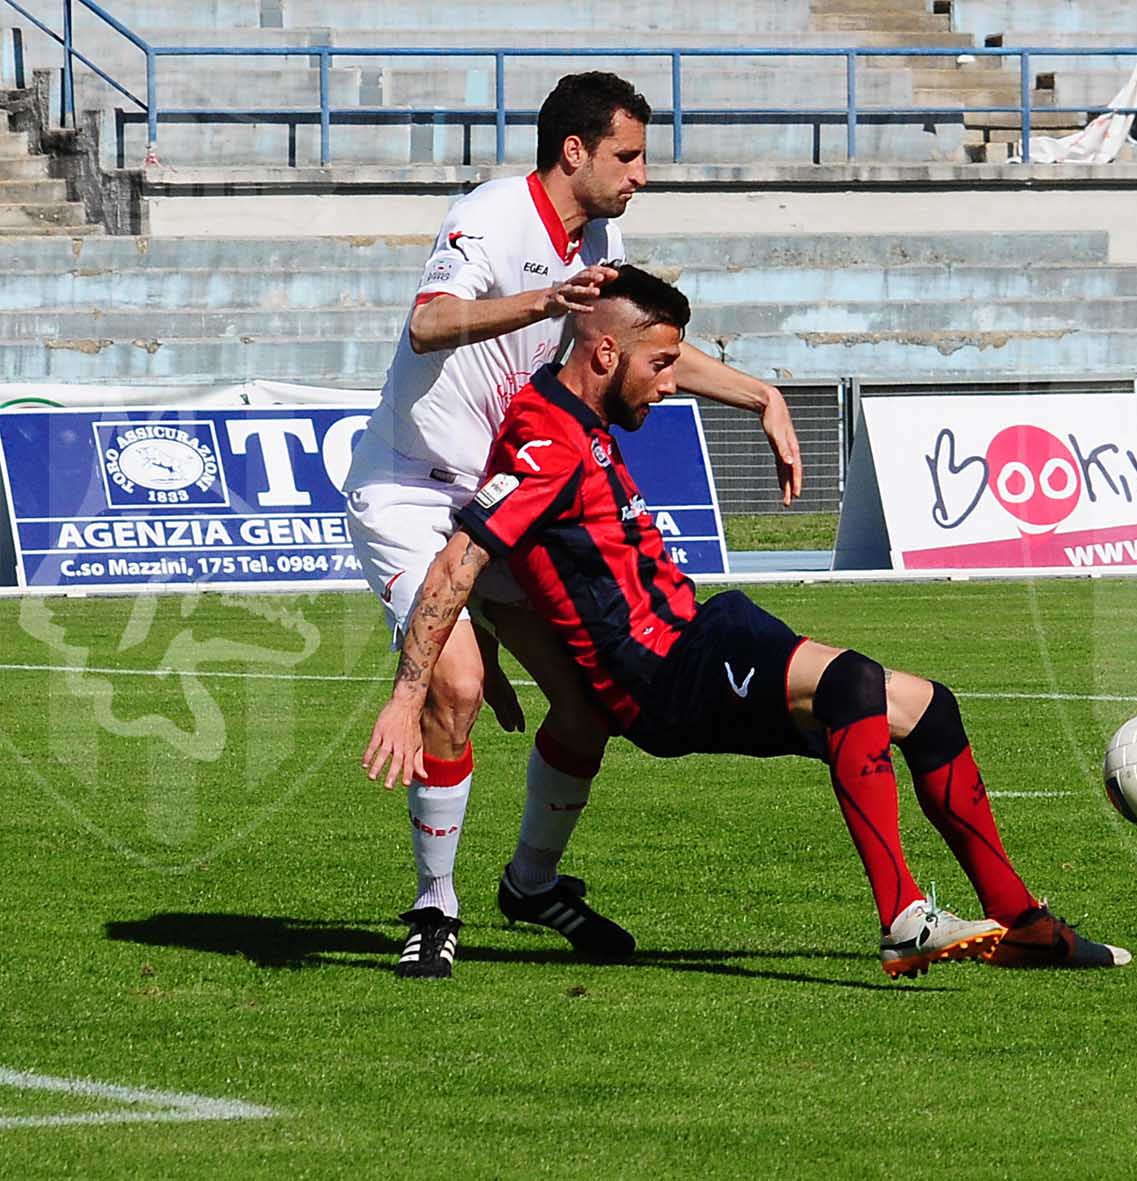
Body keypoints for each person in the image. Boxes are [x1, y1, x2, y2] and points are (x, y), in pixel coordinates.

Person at [363, 266, 1132, 979]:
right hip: (659, 673)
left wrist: (759, 394)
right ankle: (902, 917)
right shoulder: (544, 440)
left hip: (697, 635)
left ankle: (1023, 922)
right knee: (852, 685)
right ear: (603, 354)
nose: (670, 384)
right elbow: (459, 560)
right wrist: (409, 691)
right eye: (661, 364)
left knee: (930, 708)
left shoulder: (574, 411)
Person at [343, 72, 803, 979]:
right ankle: (435, 906)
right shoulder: (491, 215)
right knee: (459, 685)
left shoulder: (600, 234)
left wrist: (759, 393)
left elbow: (638, 342)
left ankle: (531, 882)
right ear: (575, 151)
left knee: (592, 704)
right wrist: (544, 303)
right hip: (411, 489)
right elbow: (430, 324)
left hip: (508, 491)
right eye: (628, 156)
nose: (641, 175)